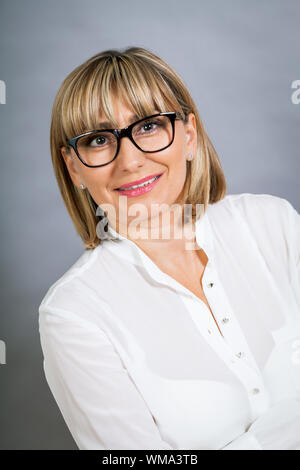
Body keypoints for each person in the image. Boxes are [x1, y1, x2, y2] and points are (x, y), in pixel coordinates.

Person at [38, 46, 300, 450]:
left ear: (189, 136)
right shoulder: (74, 313)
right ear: (74, 167)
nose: (130, 161)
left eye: (147, 127)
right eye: (98, 139)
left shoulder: (274, 225)